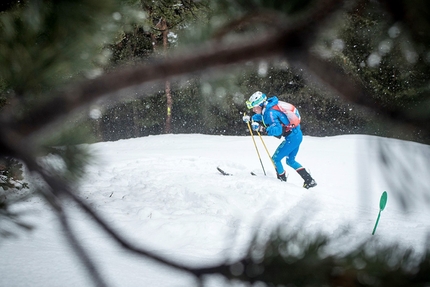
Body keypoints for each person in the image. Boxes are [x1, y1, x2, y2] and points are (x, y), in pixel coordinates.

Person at [243, 91, 317, 189]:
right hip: (296, 135)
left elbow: (277, 131)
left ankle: (282, 182)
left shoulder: (269, 112)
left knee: (275, 159)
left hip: (292, 137)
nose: (253, 109)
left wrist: (261, 129)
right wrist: (252, 118)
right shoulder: (269, 107)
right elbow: (265, 118)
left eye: (254, 107)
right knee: (290, 161)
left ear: (260, 105)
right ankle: (309, 180)